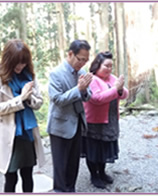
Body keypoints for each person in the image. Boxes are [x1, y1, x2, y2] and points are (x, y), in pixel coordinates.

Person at [0, 39, 45, 193]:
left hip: (27, 133)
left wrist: (29, 97)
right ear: (8, 60)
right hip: (9, 134)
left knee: (27, 174)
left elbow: (39, 102)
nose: (21, 66)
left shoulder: (30, 76)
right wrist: (20, 99)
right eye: (17, 62)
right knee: (11, 177)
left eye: (24, 62)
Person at [46, 40, 93, 192]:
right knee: (61, 165)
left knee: (74, 163)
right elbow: (57, 99)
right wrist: (78, 89)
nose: (83, 63)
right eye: (80, 59)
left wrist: (84, 90)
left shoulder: (82, 73)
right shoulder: (56, 73)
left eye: (86, 60)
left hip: (78, 123)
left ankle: (71, 190)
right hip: (60, 125)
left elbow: (87, 97)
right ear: (70, 54)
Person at [82, 51, 129, 189]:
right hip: (94, 122)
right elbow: (97, 99)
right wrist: (115, 89)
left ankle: (102, 172)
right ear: (97, 65)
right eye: (106, 66)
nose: (109, 69)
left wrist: (119, 90)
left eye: (111, 66)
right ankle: (94, 175)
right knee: (93, 149)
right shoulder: (91, 79)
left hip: (110, 120)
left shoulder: (112, 78)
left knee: (104, 148)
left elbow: (124, 94)